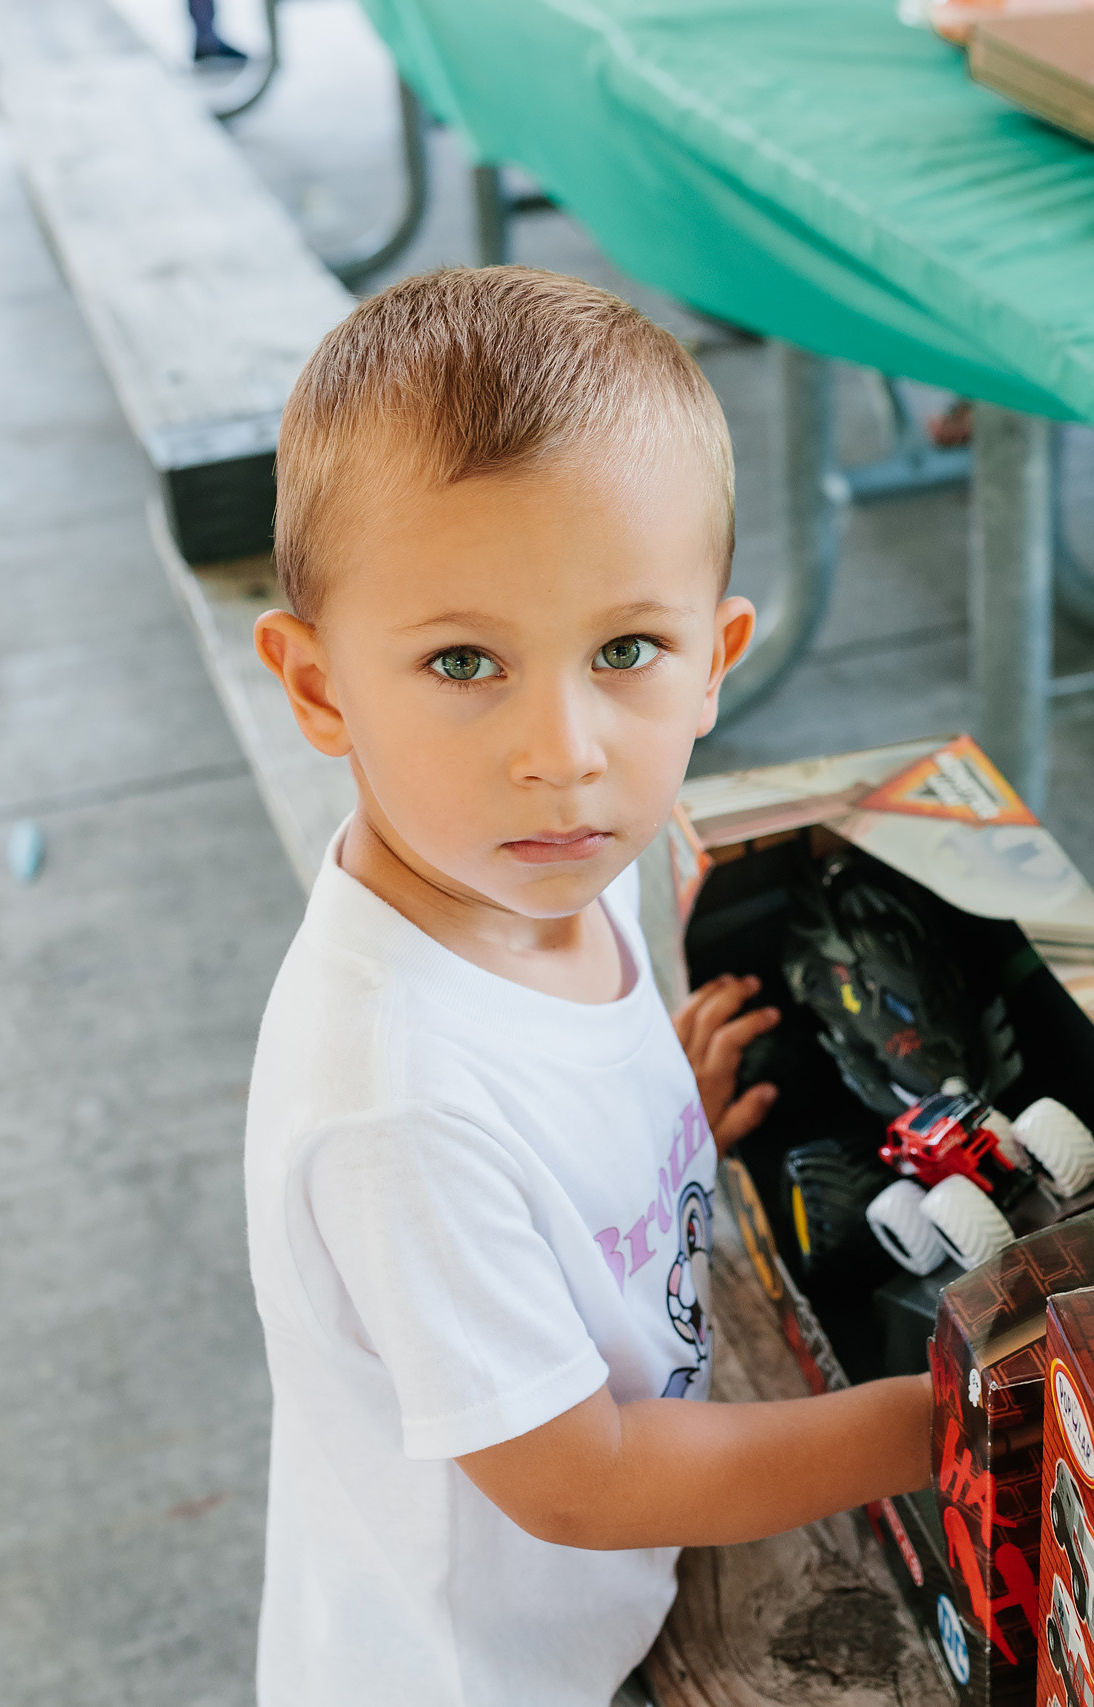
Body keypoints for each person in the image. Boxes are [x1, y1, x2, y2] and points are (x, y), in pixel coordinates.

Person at [245, 267, 934, 1707]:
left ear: (714, 664)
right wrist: (936, 1423)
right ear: (318, 691)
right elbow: (583, 1482)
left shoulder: (536, 862)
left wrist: (647, 1106)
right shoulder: (399, 1110)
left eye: (626, 650)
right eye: (462, 662)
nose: (563, 748)